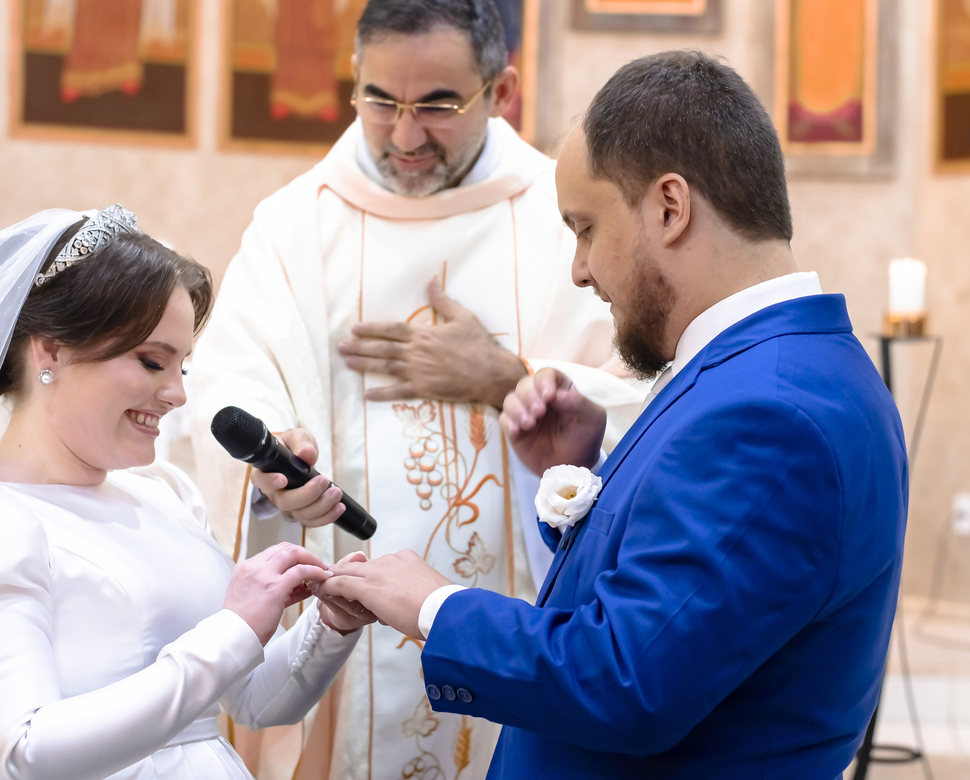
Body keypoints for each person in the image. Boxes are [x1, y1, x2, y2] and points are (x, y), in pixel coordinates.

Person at [319, 51, 909, 779]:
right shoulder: (778, 369)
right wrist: (574, 473)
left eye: (586, 227)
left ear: (669, 206)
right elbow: (676, 613)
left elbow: (625, 682)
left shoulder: (770, 413)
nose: (579, 268)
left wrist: (434, 605)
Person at [186, 0, 644, 778]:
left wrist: (512, 377)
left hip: (519, 633)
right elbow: (227, 389)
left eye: (437, 105)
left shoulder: (562, 213)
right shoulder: (297, 226)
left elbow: (653, 399)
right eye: (379, 100)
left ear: (500, 92)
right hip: (339, 662)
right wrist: (271, 476)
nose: (404, 135)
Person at [0, 206, 374, 780]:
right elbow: (22, 750)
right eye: (150, 362)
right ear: (51, 351)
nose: (177, 394)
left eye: (182, 366)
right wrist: (233, 629)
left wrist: (328, 625)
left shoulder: (166, 495)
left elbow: (253, 702)